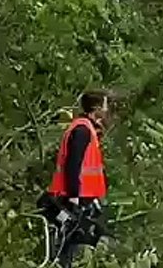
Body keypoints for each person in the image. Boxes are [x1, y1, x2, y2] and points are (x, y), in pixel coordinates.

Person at [46, 90, 111, 267]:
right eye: (104, 105)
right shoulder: (82, 130)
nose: (106, 110)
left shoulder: (86, 127)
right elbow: (73, 163)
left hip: (83, 196)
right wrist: (74, 195)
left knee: (78, 239)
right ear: (96, 108)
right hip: (74, 196)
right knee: (71, 242)